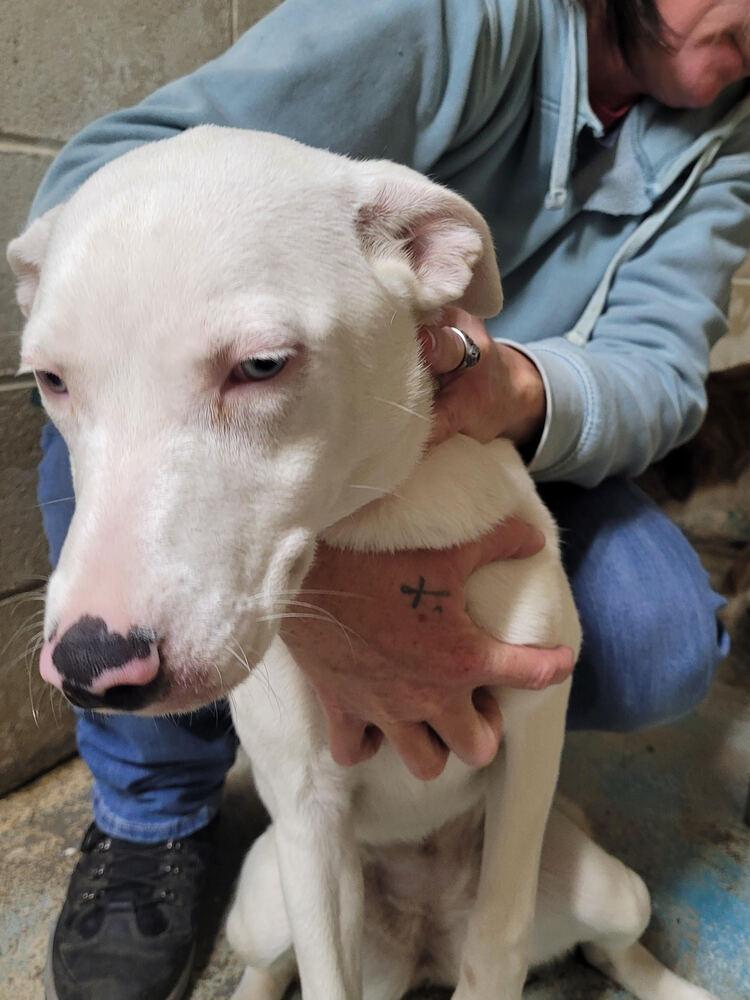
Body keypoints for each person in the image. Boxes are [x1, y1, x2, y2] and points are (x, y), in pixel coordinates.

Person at [23, 1, 749, 997]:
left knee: (659, 631)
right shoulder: (445, 17)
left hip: (489, 434)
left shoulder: (726, 140)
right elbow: (99, 191)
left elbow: (663, 372)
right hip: (343, 421)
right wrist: (328, 588)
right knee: (127, 379)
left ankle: (455, 758)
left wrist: (514, 386)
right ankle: (149, 812)